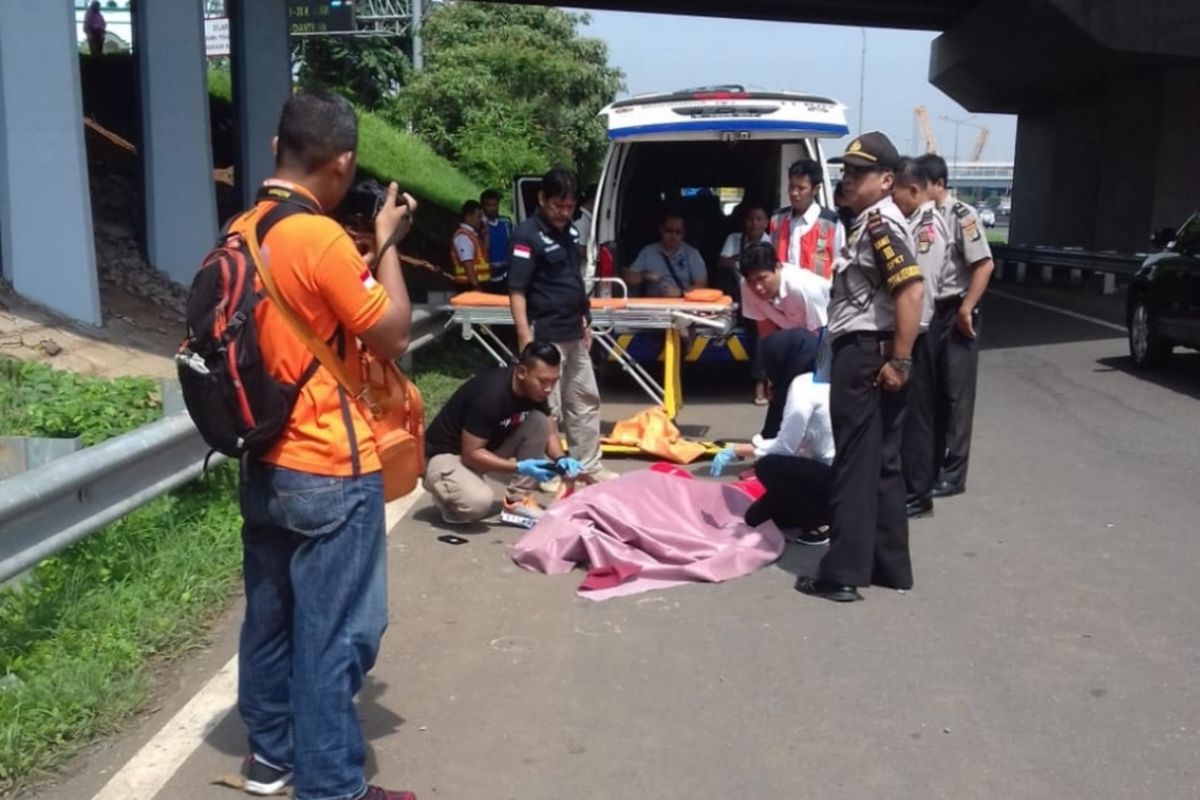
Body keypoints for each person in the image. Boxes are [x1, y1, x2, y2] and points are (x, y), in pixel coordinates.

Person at [235, 89, 418, 800]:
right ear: (341, 161)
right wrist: (391, 245)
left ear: (278, 149)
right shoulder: (320, 240)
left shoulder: (245, 228)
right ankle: (333, 786)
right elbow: (393, 332)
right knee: (340, 631)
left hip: (263, 457)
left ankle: (271, 756)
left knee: (272, 619)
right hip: (329, 467)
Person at [796, 131, 926, 604]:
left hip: (866, 354)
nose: (847, 179)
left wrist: (900, 360)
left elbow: (911, 291)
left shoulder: (878, 225)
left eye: (859, 172)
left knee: (854, 462)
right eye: (845, 170)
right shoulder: (875, 221)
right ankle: (889, 565)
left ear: (887, 179)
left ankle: (843, 572)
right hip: (879, 351)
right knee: (884, 462)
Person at [509, 167, 615, 482]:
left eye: (570, 207)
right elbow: (516, 291)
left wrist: (586, 320)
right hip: (545, 336)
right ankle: (546, 471)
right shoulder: (526, 236)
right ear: (542, 199)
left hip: (574, 331)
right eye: (558, 206)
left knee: (584, 400)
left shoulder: (568, 232)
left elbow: (573, 280)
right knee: (545, 406)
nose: (564, 213)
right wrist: (525, 337)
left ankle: (588, 465)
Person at [423, 341, 583, 526]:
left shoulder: (535, 392)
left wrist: (561, 459)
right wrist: (519, 467)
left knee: (539, 420)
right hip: (446, 455)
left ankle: (517, 500)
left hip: (484, 449)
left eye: (554, 381)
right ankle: (448, 496)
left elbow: (550, 432)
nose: (549, 388)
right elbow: (471, 453)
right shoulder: (491, 395)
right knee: (477, 503)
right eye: (543, 381)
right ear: (522, 372)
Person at [918, 154, 995, 498]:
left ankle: (954, 472)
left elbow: (983, 264)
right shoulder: (922, 217)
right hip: (931, 310)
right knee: (931, 392)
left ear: (939, 184)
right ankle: (929, 465)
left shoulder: (961, 215)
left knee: (956, 395)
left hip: (956, 310)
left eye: (923, 185)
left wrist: (966, 309)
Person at [709, 371, 835, 543]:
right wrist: (739, 449)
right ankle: (812, 512)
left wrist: (737, 450)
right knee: (754, 518)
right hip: (833, 471)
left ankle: (818, 524)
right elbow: (793, 441)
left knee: (767, 467)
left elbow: (785, 447)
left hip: (830, 474)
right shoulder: (825, 382)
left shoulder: (802, 388)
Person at [891, 157, 949, 518]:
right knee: (909, 415)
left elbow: (922, 292)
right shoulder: (915, 222)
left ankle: (917, 492)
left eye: (897, 192)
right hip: (918, 332)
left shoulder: (927, 228)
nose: (894, 199)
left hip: (922, 333)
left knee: (918, 417)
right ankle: (911, 486)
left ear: (913, 189)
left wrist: (907, 344)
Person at [738, 242, 830, 435]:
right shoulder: (747, 287)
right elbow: (766, 333)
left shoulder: (803, 287)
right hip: (793, 338)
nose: (758, 287)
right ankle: (773, 440)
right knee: (779, 392)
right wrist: (770, 376)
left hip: (824, 337)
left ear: (778, 267)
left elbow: (824, 334)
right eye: (751, 281)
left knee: (800, 394)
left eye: (763, 279)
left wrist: (821, 381)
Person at [716, 200, 773, 404]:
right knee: (726, 274)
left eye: (759, 219)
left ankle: (760, 383)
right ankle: (728, 314)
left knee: (759, 334)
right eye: (750, 219)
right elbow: (722, 262)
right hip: (736, 292)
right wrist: (744, 256)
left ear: (766, 222)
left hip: (759, 297)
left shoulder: (771, 242)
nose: (754, 224)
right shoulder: (735, 239)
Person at [770, 159, 845, 278]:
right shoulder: (777, 220)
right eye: (791, 186)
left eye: (801, 188)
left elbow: (840, 265)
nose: (794, 193)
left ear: (815, 189)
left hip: (818, 295)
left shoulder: (832, 223)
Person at [624, 209, 709, 298]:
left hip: (684, 305)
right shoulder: (648, 252)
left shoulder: (692, 254)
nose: (673, 235)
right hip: (653, 307)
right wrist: (644, 275)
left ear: (683, 234)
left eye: (678, 232)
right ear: (661, 230)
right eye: (669, 230)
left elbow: (702, 286)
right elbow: (628, 277)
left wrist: (681, 293)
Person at [450, 200, 490, 291]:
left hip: (478, 283)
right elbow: (468, 264)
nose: (481, 221)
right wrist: (476, 286)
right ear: (469, 217)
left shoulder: (474, 235)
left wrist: (486, 233)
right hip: (469, 286)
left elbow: (485, 254)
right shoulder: (463, 237)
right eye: (478, 217)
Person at [480, 188, 513, 291]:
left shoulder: (506, 222)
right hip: (488, 272)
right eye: (489, 205)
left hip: (506, 270)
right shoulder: (480, 225)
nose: (493, 208)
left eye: (495, 204)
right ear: (482, 206)